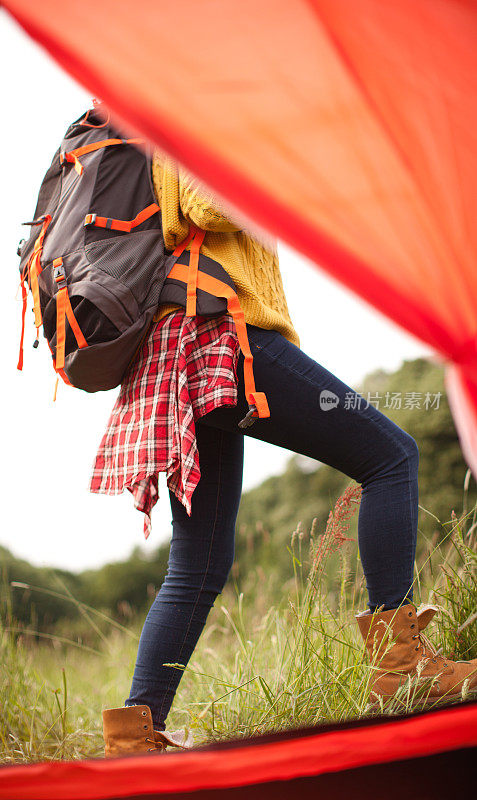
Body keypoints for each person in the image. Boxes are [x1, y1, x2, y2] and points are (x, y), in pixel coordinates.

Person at [94, 149, 477, 757]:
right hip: (220, 334)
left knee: (198, 562)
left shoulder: (149, 121)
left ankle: (136, 735)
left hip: (179, 346)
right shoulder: (188, 114)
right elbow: (205, 201)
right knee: (391, 457)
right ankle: (402, 666)